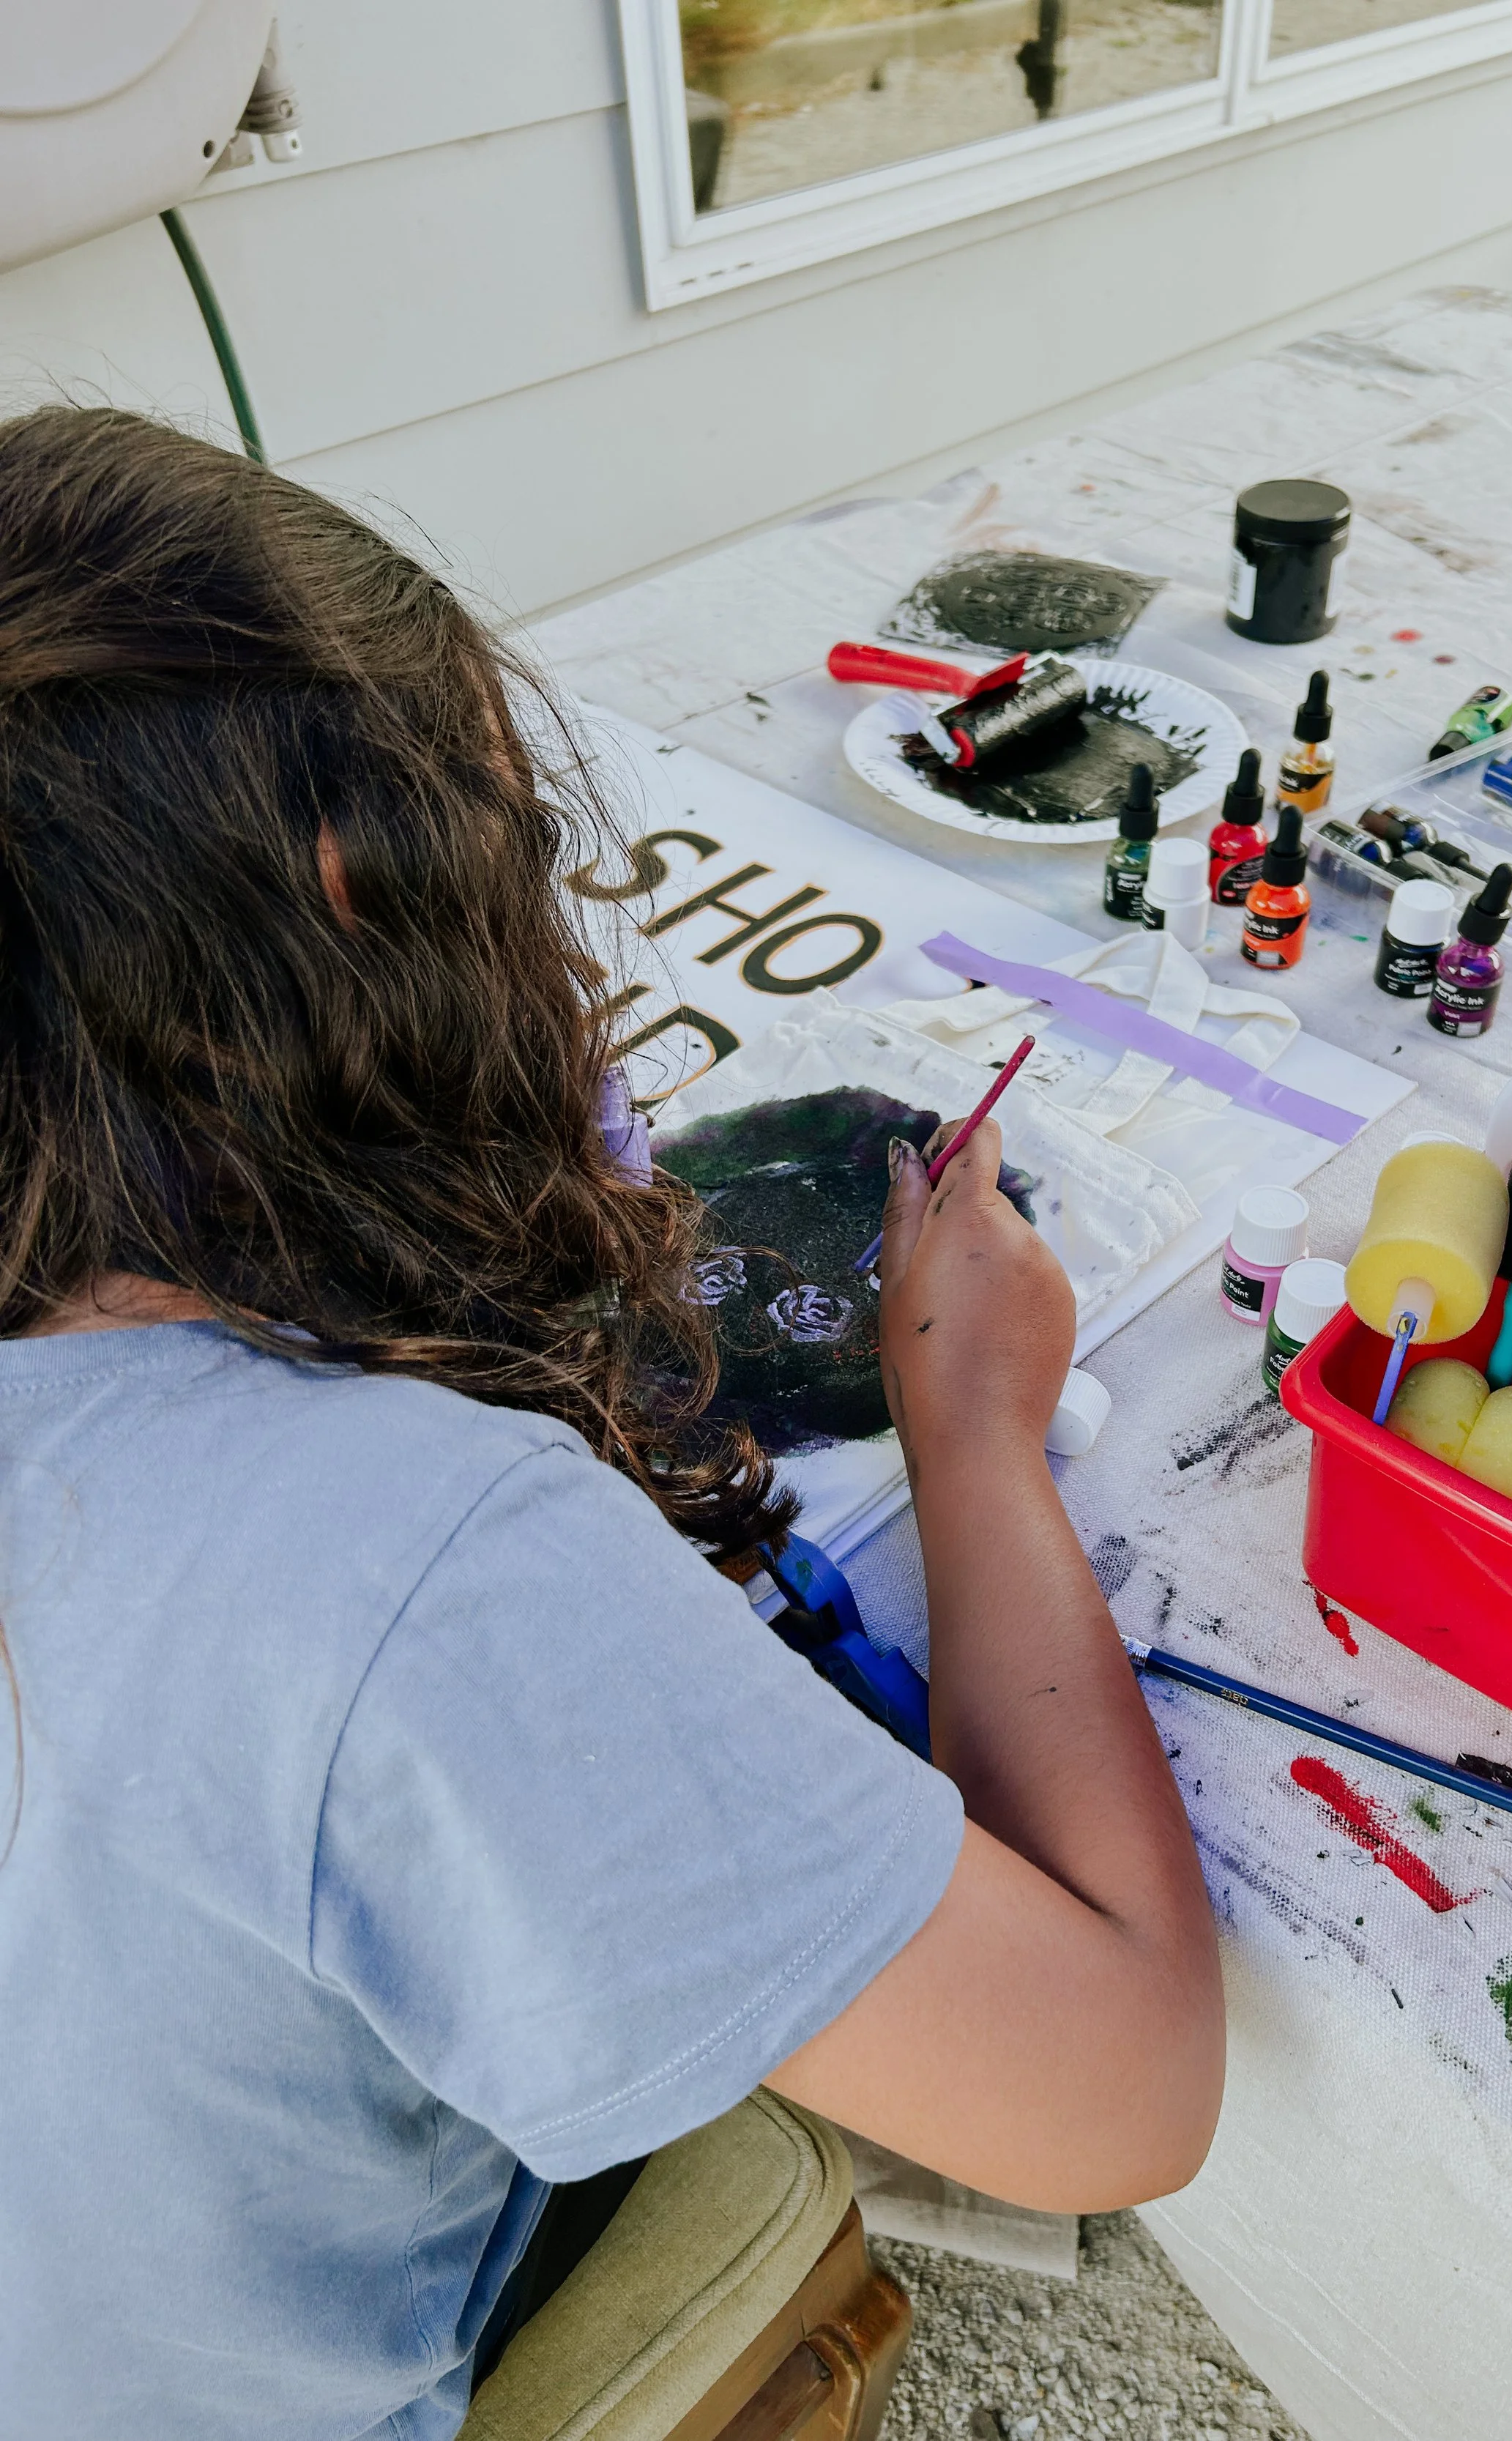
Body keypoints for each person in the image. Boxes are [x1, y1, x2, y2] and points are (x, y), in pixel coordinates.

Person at [0, 408, 1224, 2441]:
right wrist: (975, 1429)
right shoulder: (396, 1559)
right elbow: (1121, 2088)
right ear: (349, 904)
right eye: (509, 867)